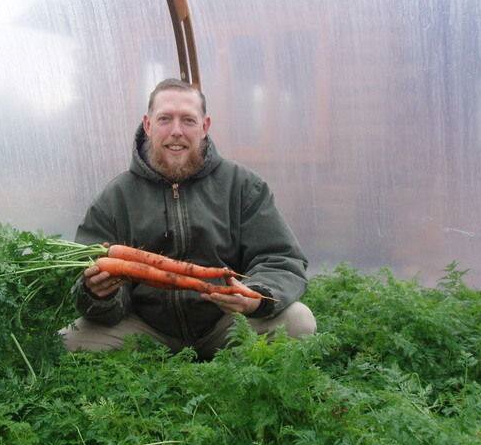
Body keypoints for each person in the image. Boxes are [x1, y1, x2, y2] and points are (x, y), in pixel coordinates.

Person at [61, 78, 316, 360]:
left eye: (188, 120)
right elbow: (84, 277)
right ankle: (165, 359)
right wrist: (100, 295)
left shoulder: (242, 186)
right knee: (68, 341)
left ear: (205, 127)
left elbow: (281, 257)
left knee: (298, 322)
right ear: (148, 125)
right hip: (147, 330)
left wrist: (255, 296)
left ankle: (212, 358)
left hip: (227, 324)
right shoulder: (116, 197)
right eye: (165, 119)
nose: (176, 131)